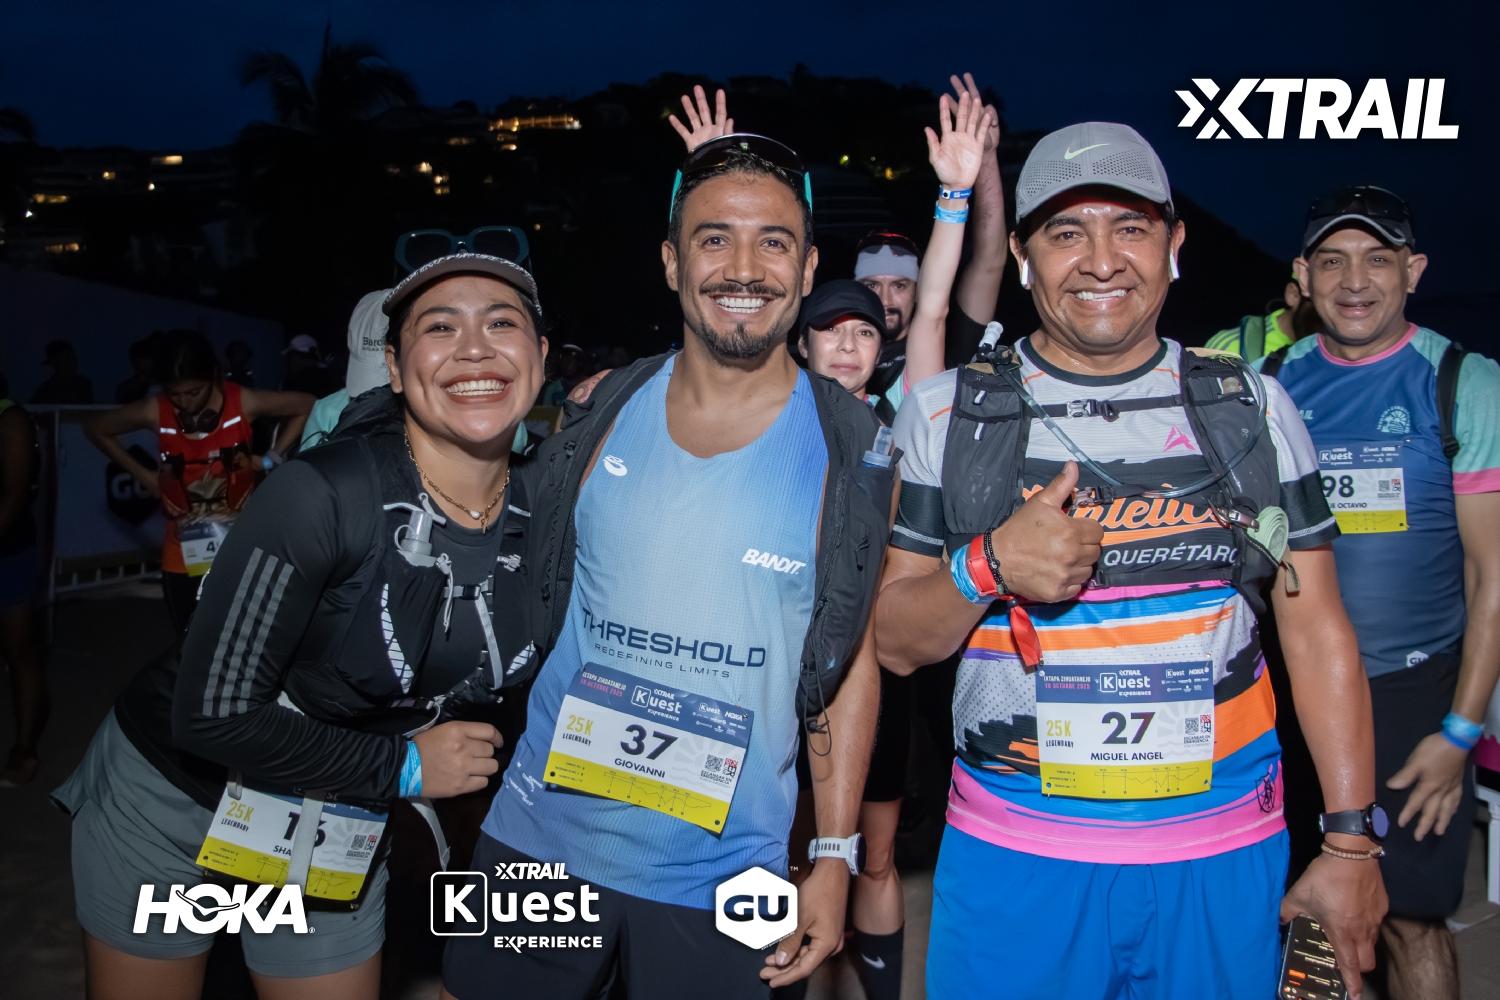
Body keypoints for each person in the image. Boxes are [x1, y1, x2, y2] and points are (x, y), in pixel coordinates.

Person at [876, 122, 1387, 1000]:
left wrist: (1349, 842)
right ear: (1023, 256)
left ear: (1174, 244)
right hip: (1015, 858)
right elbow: (893, 641)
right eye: (1066, 232)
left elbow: (1317, 631)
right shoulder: (944, 416)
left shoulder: (1254, 409)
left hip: (1223, 852)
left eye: (1132, 228)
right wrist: (986, 565)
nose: (1102, 261)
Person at [441, 131, 897, 999]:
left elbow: (849, 661)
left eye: (774, 242)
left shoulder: (856, 451)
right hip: (536, 839)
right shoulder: (596, 413)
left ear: (807, 269)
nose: (743, 268)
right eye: (714, 237)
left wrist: (834, 855)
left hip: (732, 878)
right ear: (671, 261)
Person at [54, 251, 550, 999]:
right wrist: (403, 768)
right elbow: (211, 717)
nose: (475, 349)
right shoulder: (325, 493)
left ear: (541, 354)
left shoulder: (550, 503)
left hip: (332, 815)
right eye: (441, 326)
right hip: (175, 798)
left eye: (501, 323)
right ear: (394, 366)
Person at [1260, 184, 1500, 1000]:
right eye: (1332, 261)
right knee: (1307, 916)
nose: (1354, 281)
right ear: (1303, 277)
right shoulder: (1268, 384)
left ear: (1414, 270)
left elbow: (1491, 575)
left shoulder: (1462, 381)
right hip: (1289, 692)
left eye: (1377, 259)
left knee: (1411, 920)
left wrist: (1460, 733)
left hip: (1411, 695)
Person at [781, 91, 988, 1000]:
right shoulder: (772, 417)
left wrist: (956, 195)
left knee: (872, 857)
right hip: (782, 665)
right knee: (787, 854)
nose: (848, 346)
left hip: (876, 669)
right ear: (801, 344)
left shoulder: (906, 417)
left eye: (865, 331)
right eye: (830, 331)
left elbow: (934, 308)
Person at [83, 332, 314, 633]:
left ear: (215, 376)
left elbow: (306, 404)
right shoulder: (156, 409)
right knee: (190, 642)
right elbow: (96, 428)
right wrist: (145, 476)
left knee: (247, 640)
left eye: (194, 392)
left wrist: (271, 458)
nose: (184, 403)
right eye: (175, 393)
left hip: (244, 547)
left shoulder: (242, 401)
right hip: (183, 553)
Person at [855, 74, 1008, 406]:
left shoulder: (949, 346)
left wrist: (986, 158)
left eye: (899, 284)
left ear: (918, 290)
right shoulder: (831, 355)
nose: (885, 298)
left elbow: (989, 262)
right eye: (871, 285)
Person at [0, 372, 46, 787]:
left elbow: (14, 494)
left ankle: (24, 750)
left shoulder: (10, 419)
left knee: (19, 651)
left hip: (8, 550)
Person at [30, 339, 94, 404]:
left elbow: (89, 407)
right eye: (67, 358)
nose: (73, 362)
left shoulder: (83, 383)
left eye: (73, 357)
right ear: (54, 362)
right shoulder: (45, 391)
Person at [115, 338, 158, 403]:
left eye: (145, 357)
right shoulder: (124, 388)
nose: (142, 362)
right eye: (139, 358)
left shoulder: (160, 386)